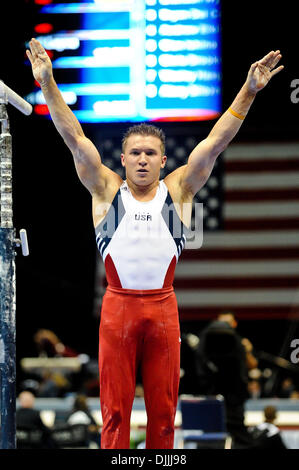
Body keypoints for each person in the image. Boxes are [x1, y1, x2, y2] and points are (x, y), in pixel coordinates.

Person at [26, 38, 283, 449]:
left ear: (164, 160)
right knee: (115, 412)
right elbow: (73, 136)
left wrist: (248, 91)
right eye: (135, 153)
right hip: (118, 308)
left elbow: (215, 142)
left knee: (164, 415)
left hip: (163, 308)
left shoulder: (178, 190)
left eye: (150, 153)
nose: (142, 159)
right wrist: (48, 83)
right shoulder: (106, 190)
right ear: (122, 159)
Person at [195, 312, 258, 447]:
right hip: (216, 400)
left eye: (227, 323)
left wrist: (246, 351)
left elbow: (252, 366)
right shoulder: (205, 342)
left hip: (230, 401)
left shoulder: (241, 343)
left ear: (234, 324)